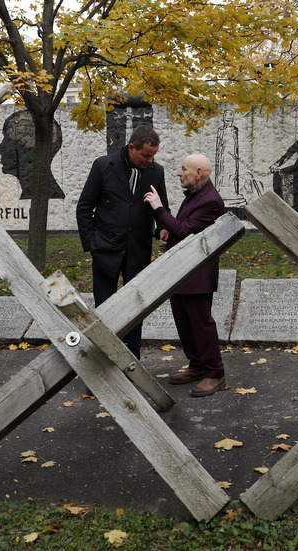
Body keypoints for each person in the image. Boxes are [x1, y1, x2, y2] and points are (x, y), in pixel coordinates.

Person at [76, 125, 169, 359]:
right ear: (131, 148)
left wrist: (163, 229)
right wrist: (92, 244)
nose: (150, 160)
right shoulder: (103, 166)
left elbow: (162, 207)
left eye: (154, 156)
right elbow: (85, 207)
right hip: (105, 250)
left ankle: (132, 361)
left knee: (135, 308)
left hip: (138, 251)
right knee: (105, 309)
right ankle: (103, 362)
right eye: (146, 155)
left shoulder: (156, 172)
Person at [143, 154, 227, 397]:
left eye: (183, 169)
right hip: (182, 271)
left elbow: (184, 229)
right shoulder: (194, 195)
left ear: (198, 172)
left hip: (197, 274)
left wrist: (159, 207)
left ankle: (215, 373)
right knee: (184, 322)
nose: (179, 173)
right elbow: (182, 228)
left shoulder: (211, 200)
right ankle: (197, 366)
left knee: (201, 325)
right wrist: (167, 233)